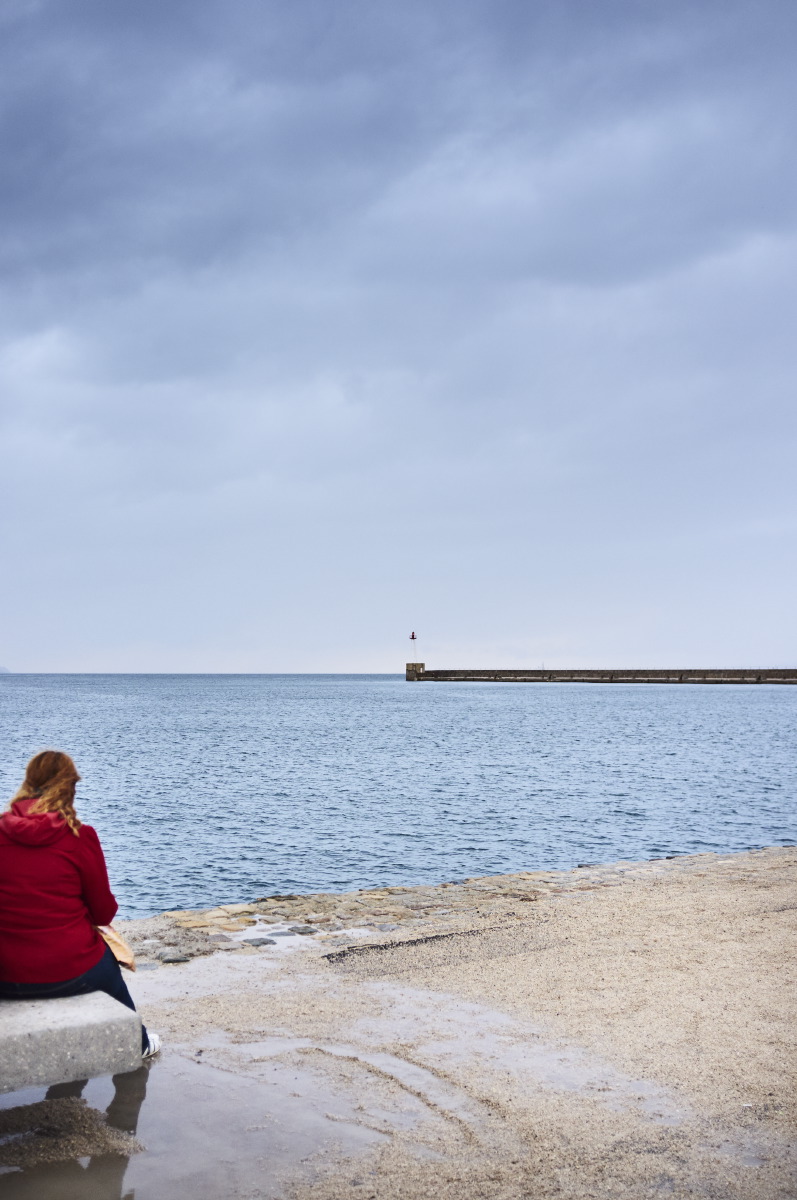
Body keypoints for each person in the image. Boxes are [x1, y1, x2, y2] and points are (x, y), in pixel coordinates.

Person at [0, 750, 159, 1058]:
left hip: (5, 974)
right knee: (109, 965)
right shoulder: (79, 836)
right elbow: (103, 913)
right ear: (70, 786)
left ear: (27, 783)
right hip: (71, 970)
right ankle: (137, 1043)